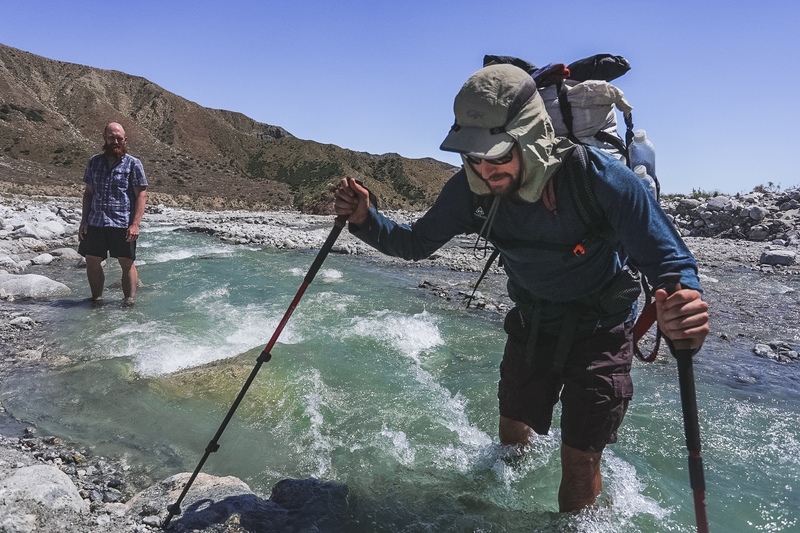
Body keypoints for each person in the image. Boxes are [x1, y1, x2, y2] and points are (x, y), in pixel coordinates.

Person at [334, 64, 709, 512]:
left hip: (602, 330)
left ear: (530, 138)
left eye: (497, 156)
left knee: (579, 463)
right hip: (532, 322)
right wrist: (365, 218)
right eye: (473, 156)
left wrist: (684, 302)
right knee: (512, 435)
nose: (485, 170)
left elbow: (671, 261)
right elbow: (414, 243)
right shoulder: (471, 189)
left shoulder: (600, 179)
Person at [78, 122, 148, 305]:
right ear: (105, 138)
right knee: (92, 260)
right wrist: (84, 220)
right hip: (96, 221)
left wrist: (135, 224)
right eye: (111, 137)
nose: (115, 141)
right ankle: (96, 300)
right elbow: (89, 193)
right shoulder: (94, 162)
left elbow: (141, 194)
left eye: (119, 138)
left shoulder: (133, 164)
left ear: (125, 140)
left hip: (122, 222)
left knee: (126, 262)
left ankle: (129, 302)